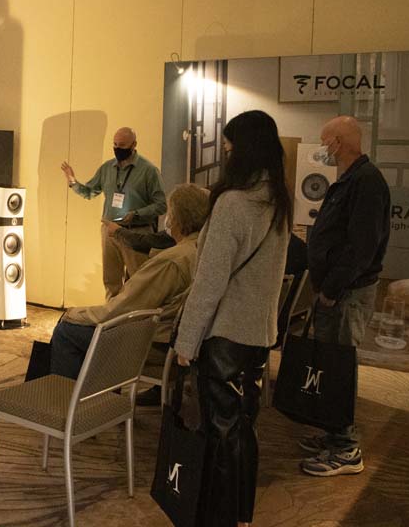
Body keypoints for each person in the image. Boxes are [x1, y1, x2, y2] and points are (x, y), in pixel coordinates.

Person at [172, 110, 292, 527]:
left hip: (224, 335)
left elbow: (209, 283)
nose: (225, 156)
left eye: (228, 148)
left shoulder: (232, 204)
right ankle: (240, 514)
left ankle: (218, 516)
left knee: (219, 431)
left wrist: (186, 343)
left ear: (243, 151)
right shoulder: (278, 201)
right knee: (242, 427)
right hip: (258, 334)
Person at [299, 115, 390, 477]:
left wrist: (332, 289)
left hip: (346, 294)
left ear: (339, 142)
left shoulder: (367, 182)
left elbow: (361, 247)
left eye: (325, 141)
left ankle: (346, 449)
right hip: (335, 292)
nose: (322, 148)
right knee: (329, 363)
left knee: (339, 366)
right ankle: (334, 432)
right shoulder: (348, 180)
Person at [49, 184, 209, 380]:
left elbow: (123, 308)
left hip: (153, 343)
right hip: (175, 340)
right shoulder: (202, 251)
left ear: (176, 219)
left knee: (67, 331)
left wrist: (74, 313)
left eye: (169, 213)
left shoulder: (172, 261)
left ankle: (66, 395)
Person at [61, 127, 166, 299]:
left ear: (134, 145)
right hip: (109, 231)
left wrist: (136, 214)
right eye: (115, 144)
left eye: (122, 145)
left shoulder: (149, 170)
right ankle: (111, 312)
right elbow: (89, 192)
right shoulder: (107, 168)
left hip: (136, 232)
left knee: (139, 281)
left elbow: (161, 205)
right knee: (111, 281)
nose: (117, 149)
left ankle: (135, 315)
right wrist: (73, 181)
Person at [102, 219, 177, 256]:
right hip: (117, 229)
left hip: (135, 230)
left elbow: (142, 242)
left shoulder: (172, 236)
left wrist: (118, 231)